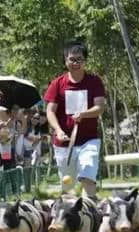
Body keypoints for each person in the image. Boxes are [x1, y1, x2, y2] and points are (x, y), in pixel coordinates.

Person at [44, 41, 105, 197]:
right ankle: (68, 216)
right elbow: (50, 111)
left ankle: (91, 211)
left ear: (85, 60)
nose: (75, 63)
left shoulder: (94, 82)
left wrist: (83, 114)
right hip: (64, 144)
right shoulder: (57, 84)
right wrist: (57, 130)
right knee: (68, 184)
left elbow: (100, 108)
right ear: (65, 61)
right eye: (72, 59)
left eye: (79, 59)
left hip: (88, 141)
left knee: (87, 174)